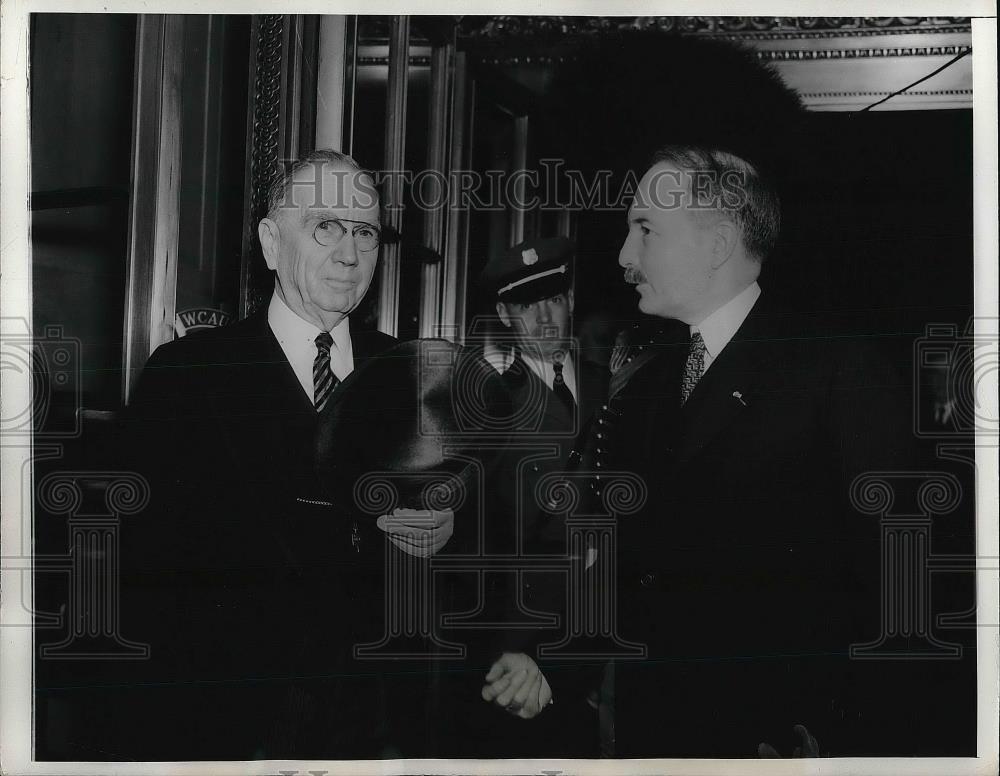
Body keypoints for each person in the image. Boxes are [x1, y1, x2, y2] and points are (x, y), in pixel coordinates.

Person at [113, 149, 453, 759]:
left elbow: (467, 533)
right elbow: (138, 571)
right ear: (272, 242)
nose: (349, 255)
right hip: (233, 720)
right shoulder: (192, 374)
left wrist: (445, 527)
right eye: (325, 226)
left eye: (366, 232)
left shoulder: (408, 375)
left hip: (379, 720)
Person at [591, 144, 920, 757]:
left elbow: (895, 575)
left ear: (716, 245)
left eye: (645, 229)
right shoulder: (649, 384)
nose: (624, 256)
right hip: (654, 730)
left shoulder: (836, 368)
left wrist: (835, 728)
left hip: (775, 735)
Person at [455, 236, 607, 757]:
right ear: (503, 313)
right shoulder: (483, 409)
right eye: (527, 304)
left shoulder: (622, 390)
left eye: (555, 298)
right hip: (521, 658)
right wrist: (510, 653)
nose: (545, 318)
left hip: (613, 650)